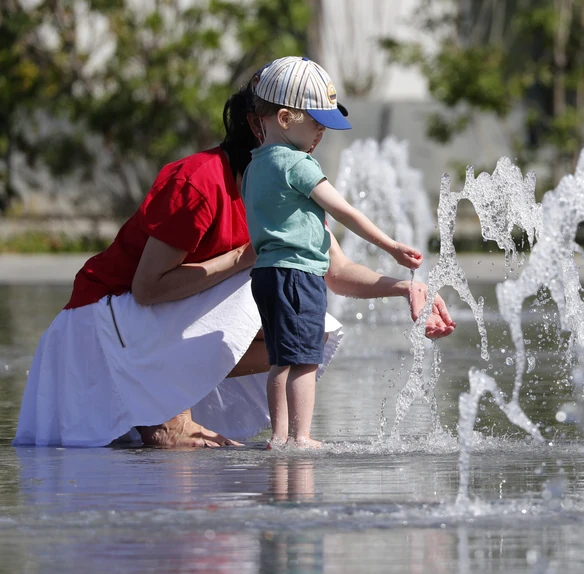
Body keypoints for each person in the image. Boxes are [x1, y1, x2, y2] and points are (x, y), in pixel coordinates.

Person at [12, 67, 455, 449]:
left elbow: (335, 272)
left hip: (145, 332)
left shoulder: (290, 185)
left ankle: (173, 406)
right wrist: (241, 258)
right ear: (266, 123)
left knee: (308, 330)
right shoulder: (200, 181)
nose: (319, 136)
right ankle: (166, 413)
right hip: (96, 329)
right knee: (264, 277)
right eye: (312, 122)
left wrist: (405, 288)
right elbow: (147, 289)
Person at [243, 57, 422, 448]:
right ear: (286, 118)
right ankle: (301, 436)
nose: (322, 131)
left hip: (268, 273)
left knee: (279, 359)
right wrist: (390, 246)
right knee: (306, 357)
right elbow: (344, 210)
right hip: (298, 274)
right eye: (316, 121)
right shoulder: (297, 163)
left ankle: (278, 435)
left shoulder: (255, 166)